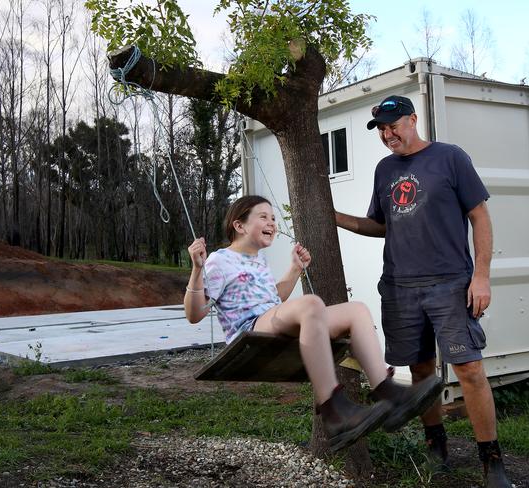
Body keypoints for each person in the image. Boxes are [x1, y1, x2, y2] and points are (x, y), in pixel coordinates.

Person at [335, 95, 511, 487]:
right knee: (420, 371)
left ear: (413, 119)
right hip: (399, 286)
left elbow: (480, 216)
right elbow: (379, 225)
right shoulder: (384, 170)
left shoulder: (450, 158)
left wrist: (481, 276)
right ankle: (437, 447)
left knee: (469, 369)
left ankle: (492, 461)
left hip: (450, 282)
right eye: (381, 128)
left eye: (394, 124)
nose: (387, 133)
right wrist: (334, 217)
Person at [184, 195, 444, 452]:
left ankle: (388, 393)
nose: (272, 223)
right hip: (248, 330)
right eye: (263, 217)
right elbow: (195, 314)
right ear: (239, 226)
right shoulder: (219, 260)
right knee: (311, 304)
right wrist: (197, 270)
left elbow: (274, 299)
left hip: (269, 320)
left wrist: (295, 269)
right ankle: (333, 410)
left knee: (356, 311)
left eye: (273, 218)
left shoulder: (258, 260)